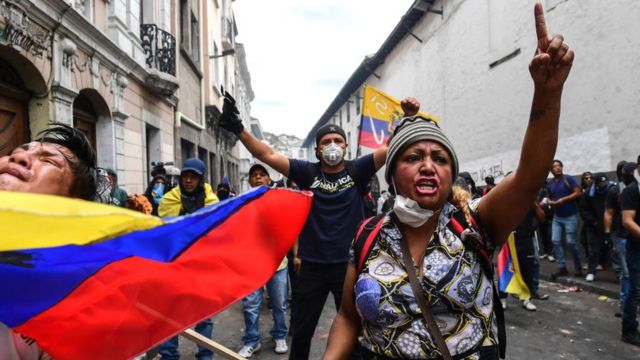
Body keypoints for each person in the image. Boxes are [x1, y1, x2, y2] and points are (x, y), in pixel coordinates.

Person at [324, 4, 573, 359]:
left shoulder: (474, 223)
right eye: (413, 158)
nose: (428, 166)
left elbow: (531, 175)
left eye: (439, 159)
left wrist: (548, 93)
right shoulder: (368, 236)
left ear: (450, 174)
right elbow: (348, 317)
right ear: (392, 175)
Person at [218, 84, 420, 359]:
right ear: (317, 150)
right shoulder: (307, 172)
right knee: (302, 330)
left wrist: (407, 119)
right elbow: (267, 155)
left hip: (349, 267)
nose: (333, 146)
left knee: (355, 328)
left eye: (337, 141)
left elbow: (391, 146)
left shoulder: (357, 169)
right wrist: (239, 128)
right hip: (312, 267)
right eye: (326, 142)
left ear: (346, 146)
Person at [0, 123, 97, 360]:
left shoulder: (71, 302)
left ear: (71, 206)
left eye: (50, 161)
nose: (19, 157)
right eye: (14, 153)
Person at [157, 157, 219, 360]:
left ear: (201, 179)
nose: (189, 181)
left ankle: (204, 354)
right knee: (170, 313)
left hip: (202, 267)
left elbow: (218, 232)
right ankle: (168, 354)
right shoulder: (168, 200)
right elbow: (163, 231)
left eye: (194, 177)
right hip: (174, 265)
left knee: (204, 315)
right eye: (186, 176)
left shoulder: (212, 202)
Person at [237, 164, 290, 358]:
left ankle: (280, 335)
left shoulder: (279, 201)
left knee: (279, 303)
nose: (258, 178)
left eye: (262, 175)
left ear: (269, 179)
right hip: (251, 264)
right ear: (250, 181)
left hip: (277, 264)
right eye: (254, 175)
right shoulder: (242, 203)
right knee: (250, 305)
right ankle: (252, 341)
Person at [606, 162, 635, 317]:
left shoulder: (635, 190)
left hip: (632, 237)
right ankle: (625, 303)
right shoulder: (615, 190)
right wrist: (608, 234)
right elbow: (609, 213)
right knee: (627, 272)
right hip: (622, 236)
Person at [546, 159, 583, 280]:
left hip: (570, 216)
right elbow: (548, 197)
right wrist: (550, 202)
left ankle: (578, 267)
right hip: (557, 217)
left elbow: (578, 192)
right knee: (555, 241)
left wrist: (564, 199)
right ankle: (562, 267)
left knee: (571, 243)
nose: (557, 168)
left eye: (559, 166)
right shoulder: (550, 184)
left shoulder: (568, 179)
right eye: (555, 167)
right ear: (551, 170)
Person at [621, 157, 640, 345]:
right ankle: (628, 330)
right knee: (635, 290)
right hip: (636, 249)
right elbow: (628, 221)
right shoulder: (631, 191)